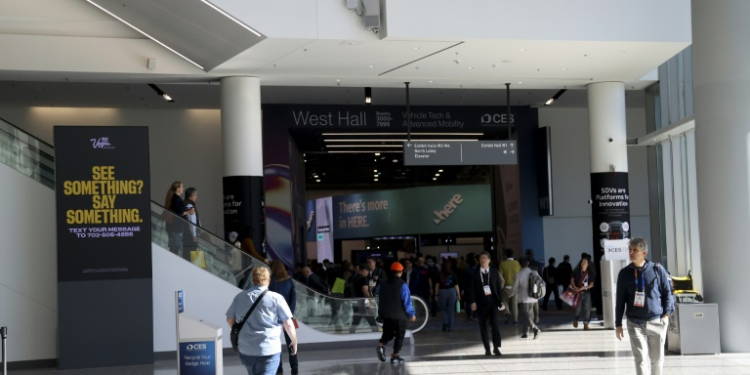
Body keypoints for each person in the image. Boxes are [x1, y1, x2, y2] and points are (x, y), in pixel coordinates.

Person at [616, 238, 674, 375]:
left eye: (635, 250)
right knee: (640, 359)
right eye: (630, 250)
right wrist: (618, 324)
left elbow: (667, 293)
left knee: (656, 359)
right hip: (635, 323)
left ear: (644, 252)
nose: (631, 252)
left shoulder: (657, 270)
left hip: (656, 320)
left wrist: (666, 315)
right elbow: (620, 300)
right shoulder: (624, 274)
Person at [226, 267, 298, 375]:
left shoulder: (240, 297)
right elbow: (288, 323)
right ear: (268, 280)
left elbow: (229, 319)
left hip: (246, 349)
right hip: (269, 349)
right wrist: (294, 341)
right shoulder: (276, 298)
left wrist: (240, 330)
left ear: (252, 280)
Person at [376, 262, 417, 364]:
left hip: (386, 314)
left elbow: (378, 292)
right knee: (400, 335)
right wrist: (411, 313)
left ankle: (381, 346)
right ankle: (395, 356)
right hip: (399, 316)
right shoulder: (402, 284)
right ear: (401, 272)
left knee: (388, 333)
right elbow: (407, 301)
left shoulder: (383, 283)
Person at [466, 251, 504, 356]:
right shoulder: (475, 273)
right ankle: (487, 348)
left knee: (495, 325)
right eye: (481, 258)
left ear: (489, 260)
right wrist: (473, 301)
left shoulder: (494, 272)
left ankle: (496, 347)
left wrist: (501, 300)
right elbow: (471, 289)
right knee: (483, 327)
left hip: (493, 302)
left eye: (484, 258)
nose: (483, 260)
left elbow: (498, 287)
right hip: (480, 303)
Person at [268, 261, 298, 375]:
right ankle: (294, 365)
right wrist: (289, 314)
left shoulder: (271, 282)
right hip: (288, 316)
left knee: (276, 342)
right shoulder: (289, 281)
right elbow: (293, 298)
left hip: (274, 317)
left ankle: (279, 367)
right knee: (291, 340)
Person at [511, 257, 540, 339]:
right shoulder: (535, 272)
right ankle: (525, 332)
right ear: (528, 263)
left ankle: (535, 329)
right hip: (533, 298)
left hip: (523, 298)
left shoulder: (518, 274)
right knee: (528, 315)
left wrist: (510, 294)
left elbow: (514, 288)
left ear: (519, 264)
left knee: (525, 315)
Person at [164, 181, 194, 258]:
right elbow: (179, 212)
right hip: (177, 229)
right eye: (182, 187)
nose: (183, 189)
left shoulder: (173, 198)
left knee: (174, 249)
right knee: (175, 251)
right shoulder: (177, 199)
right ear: (178, 188)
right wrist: (189, 212)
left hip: (173, 228)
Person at [350, 264, 379, 333]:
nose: (368, 273)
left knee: (356, 321)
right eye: (367, 271)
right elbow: (365, 291)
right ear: (364, 271)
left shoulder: (354, 278)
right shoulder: (363, 279)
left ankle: (351, 333)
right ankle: (376, 335)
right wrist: (370, 302)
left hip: (356, 303)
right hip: (364, 304)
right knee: (372, 321)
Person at [434, 260, 460, 332]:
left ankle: (445, 322)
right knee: (451, 310)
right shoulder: (453, 274)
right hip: (452, 292)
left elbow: (437, 285)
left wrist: (436, 294)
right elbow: (456, 285)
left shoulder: (440, 274)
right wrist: (458, 294)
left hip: (442, 292)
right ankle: (450, 327)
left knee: (443, 309)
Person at [570, 257, 596, 330]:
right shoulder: (576, 271)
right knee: (578, 308)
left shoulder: (591, 272)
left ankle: (586, 324)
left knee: (587, 309)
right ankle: (575, 319)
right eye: (582, 262)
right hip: (577, 292)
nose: (583, 263)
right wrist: (574, 286)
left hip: (587, 292)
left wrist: (584, 288)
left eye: (585, 262)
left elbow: (591, 284)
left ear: (588, 264)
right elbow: (572, 280)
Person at [499, 249, 521, 325]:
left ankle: (507, 312)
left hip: (506, 287)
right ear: (513, 254)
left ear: (506, 255)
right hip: (515, 287)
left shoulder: (502, 264)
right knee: (514, 304)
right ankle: (515, 320)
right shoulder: (517, 263)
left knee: (504, 301)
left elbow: (500, 276)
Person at [183, 187, 201, 260]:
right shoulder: (189, 205)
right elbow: (191, 221)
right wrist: (194, 235)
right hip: (189, 236)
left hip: (187, 235)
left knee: (188, 254)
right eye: (196, 195)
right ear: (192, 195)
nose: (196, 197)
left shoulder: (187, 204)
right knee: (190, 255)